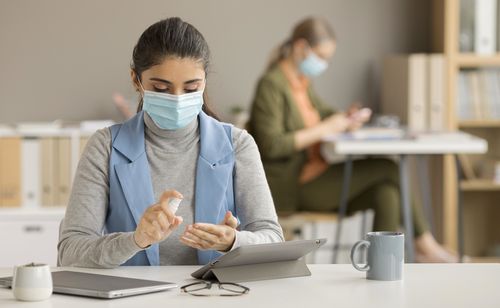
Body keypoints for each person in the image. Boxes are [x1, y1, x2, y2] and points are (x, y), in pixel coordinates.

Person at [58, 17, 283, 268]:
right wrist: (135, 240)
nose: (177, 99)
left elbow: (273, 238)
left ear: (204, 82)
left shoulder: (238, 144)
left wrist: (233, 242)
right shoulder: (105, 147)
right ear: (136, 80)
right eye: (162, 88)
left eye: (190, 88)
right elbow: (70, 251)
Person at [248, 17, 457, 263]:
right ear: (301, 47)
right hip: (294, 187)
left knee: (386, 192)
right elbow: (271, 145)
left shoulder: (302, 84)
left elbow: (325, 113)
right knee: (387, 167)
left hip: (315, 175)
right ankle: (426, 246)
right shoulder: (271, 85)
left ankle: (383, 266)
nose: (324, 63)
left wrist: (346, 117)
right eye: (321, 56)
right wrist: (327, 127)